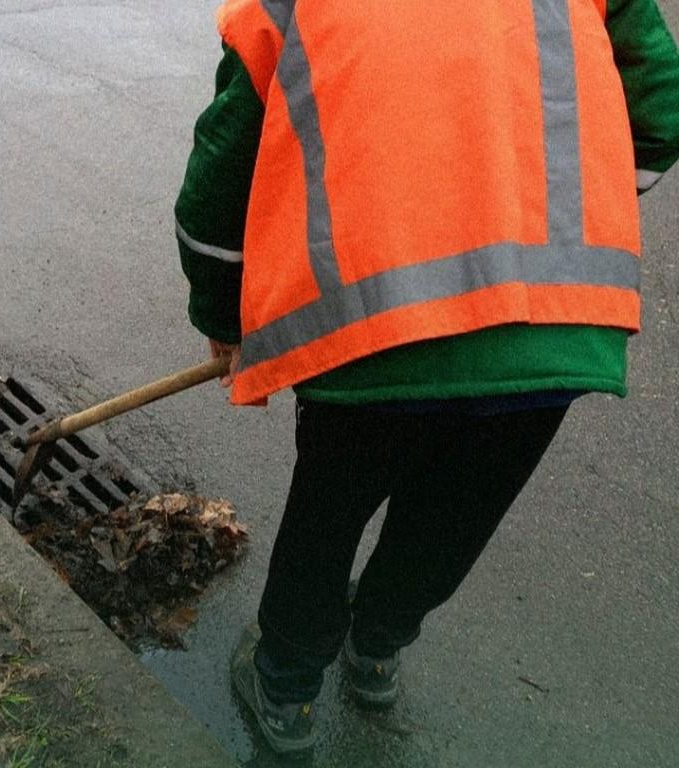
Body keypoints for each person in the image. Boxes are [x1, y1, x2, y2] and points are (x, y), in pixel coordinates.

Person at [175, 0, 679, 754]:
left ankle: (285, 688)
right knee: (456, 513)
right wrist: (553, 202)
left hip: (371, 323)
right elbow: (662, 106)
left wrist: (223, 314)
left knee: (329, 514)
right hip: (545, 325)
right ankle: (377, 647)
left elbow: (221, 175)